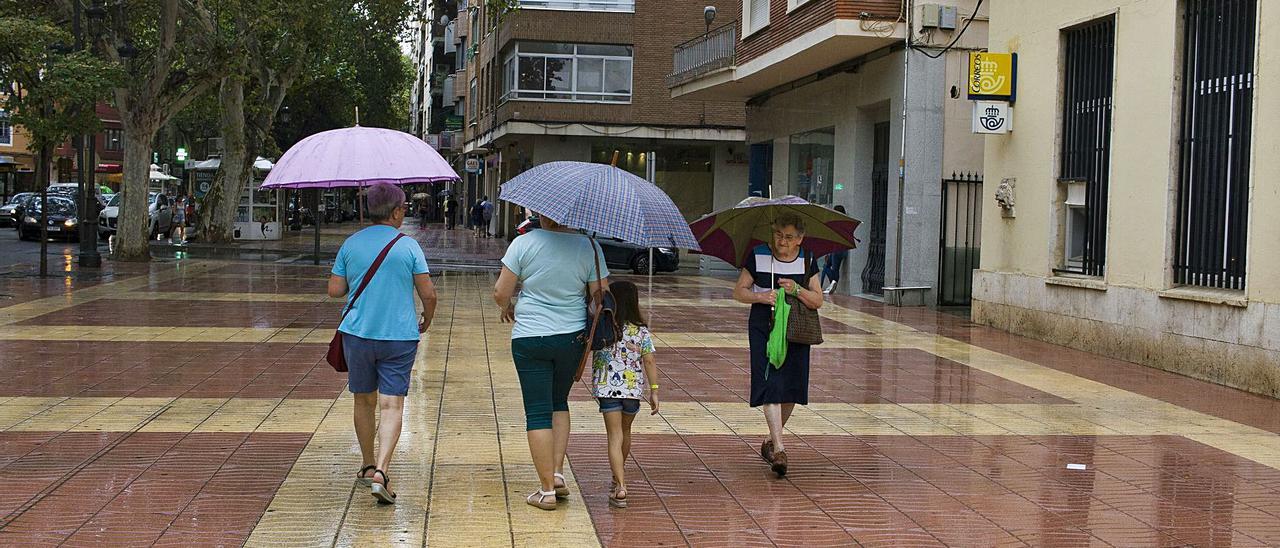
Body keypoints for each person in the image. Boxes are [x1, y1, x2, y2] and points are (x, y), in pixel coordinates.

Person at [327, 183, 438, 505]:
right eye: (404, 207)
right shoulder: (409, 247)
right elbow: (428, 293)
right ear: (396, 211)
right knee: (392, 405)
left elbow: (334, 290)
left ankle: (367, 464)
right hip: (399, 337)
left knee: (363, 401)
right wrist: (427, 318)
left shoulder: (351, 244)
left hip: (358, 335)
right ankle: (383, 471)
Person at [493, 213, 609, 511]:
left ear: (543, 214)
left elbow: (500, 292)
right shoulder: (589, 247)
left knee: (537, 412)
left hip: (530, 337)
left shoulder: (523, 243)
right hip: (571, 338)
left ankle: (545, 491)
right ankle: (556, 474)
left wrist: (508, 306)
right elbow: (601, 295)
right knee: (559, 402)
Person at [732, 214, 822, 478]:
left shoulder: (808, 259)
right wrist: (760, 296)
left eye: (789, 237)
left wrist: (796, 289)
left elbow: (817, 300)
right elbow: (739, 291)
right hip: (764, 325)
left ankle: (771, 439)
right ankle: (780, 449)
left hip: (796, 328)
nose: (783, 241)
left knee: (791, 388)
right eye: (779, 235)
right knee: (770, 383)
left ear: (800, 239)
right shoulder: (759, 255)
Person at [589, 281, 659, 509]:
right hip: (632, 390)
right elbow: (649, 360)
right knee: (625, 432)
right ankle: (617, 476)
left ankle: (620, 485)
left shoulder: (603, 326)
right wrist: (655, 391)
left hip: (607, 388)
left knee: (614, 436)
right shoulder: (641, 331)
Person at [822, 205, 849, 293]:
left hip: (836, 249)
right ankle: (832, 285)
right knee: (827, 266)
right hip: (843, 249)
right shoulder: (845, 222)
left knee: (834, 268)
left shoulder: (837, 223)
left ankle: (833, 285)